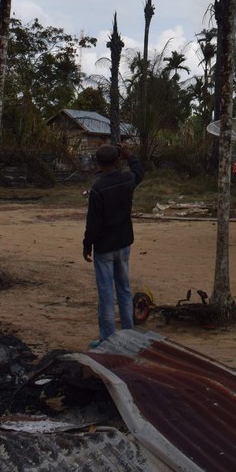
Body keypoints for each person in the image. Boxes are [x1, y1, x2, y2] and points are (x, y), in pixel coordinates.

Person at [83, 142, 144, 347]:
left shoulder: (97, 189)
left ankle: (108, 340)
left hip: (105, 248)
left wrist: (87, 244)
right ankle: (129, 335)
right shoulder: (127, 179)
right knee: (124, 290)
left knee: (106, 295)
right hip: (124, 243)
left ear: (99, 163)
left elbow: (93, 223)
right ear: (117, 160)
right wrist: (130, 155)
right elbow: (139, 171)